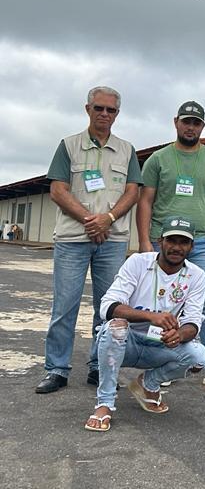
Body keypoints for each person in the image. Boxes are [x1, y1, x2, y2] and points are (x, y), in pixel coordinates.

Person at [35, 86, 142, 395]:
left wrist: (107, 219)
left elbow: (132, 191)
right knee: (64, 305)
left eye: (110, 110)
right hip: (73, 238)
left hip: (112, 239)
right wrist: (89, 220)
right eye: (99, 108)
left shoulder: (127, 149)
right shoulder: (68, 146)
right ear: (87, 109)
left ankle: (100, 367)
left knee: (107, 307)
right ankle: (56, 369)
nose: (104, 114)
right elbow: (58, 189)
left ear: (117, 114)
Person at [137, 101, 205, 390]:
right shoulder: (158, 159)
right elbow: (145, 200)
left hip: (202, 241)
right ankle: (162, 362)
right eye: (186, 122)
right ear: (176, 123)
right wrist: (145, 241)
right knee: (160, 301)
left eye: (196, 123)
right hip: (162, 239)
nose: (190, 127)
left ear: (202, 127)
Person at [83, 216, 205, 432]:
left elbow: (193, 321)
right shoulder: (138, 262)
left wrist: (179, 335)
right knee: (115, 327)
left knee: (198, 356)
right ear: (161, 241)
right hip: (127, 341)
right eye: (171, 240)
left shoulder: (196, 275)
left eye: (183, 242)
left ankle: (147, 384)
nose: (177, 247)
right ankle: (104, 403)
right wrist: (151, 316)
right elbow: (108, 307)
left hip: (159, 344)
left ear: (191, 246)